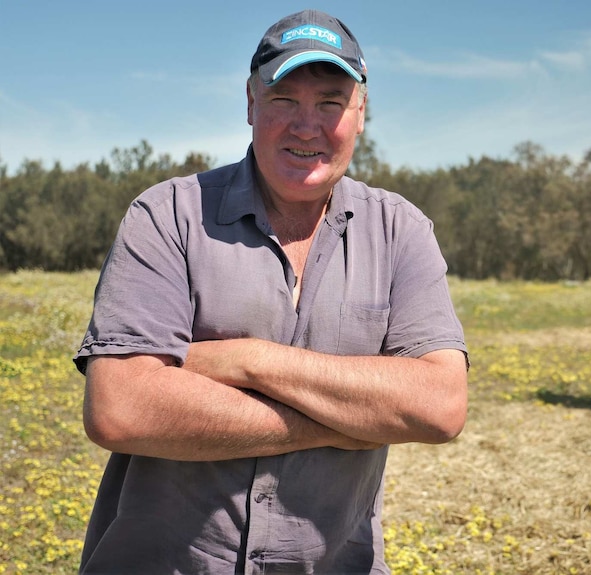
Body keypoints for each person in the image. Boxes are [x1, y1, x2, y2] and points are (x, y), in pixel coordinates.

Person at [73, 9, 468, 574]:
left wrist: (246, 360)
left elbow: (440, 406)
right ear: (251, 103)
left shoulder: (401, 231)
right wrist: (353, 419)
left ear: (360, 115)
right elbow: (121, 408)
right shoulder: (168, 216)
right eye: (284, 100)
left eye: (330, 102)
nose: (306, 126)